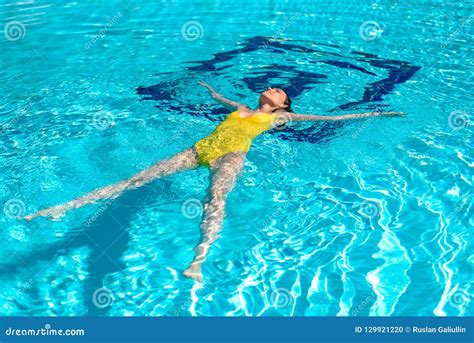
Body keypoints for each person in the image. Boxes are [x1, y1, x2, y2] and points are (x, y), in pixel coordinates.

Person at [24, 81, 405, 282]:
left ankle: (199, 258)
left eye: (278, 91)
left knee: (214, 201)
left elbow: (329, 120)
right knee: (134, 179)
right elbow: (223, 100)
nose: (271, 87)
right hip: (198, 151)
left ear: (283, 105)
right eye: (271, 87)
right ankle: (64, 208)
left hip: (230, 158)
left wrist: (377, 113)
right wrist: (209, 91)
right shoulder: (242, 109)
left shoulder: (279, 119)